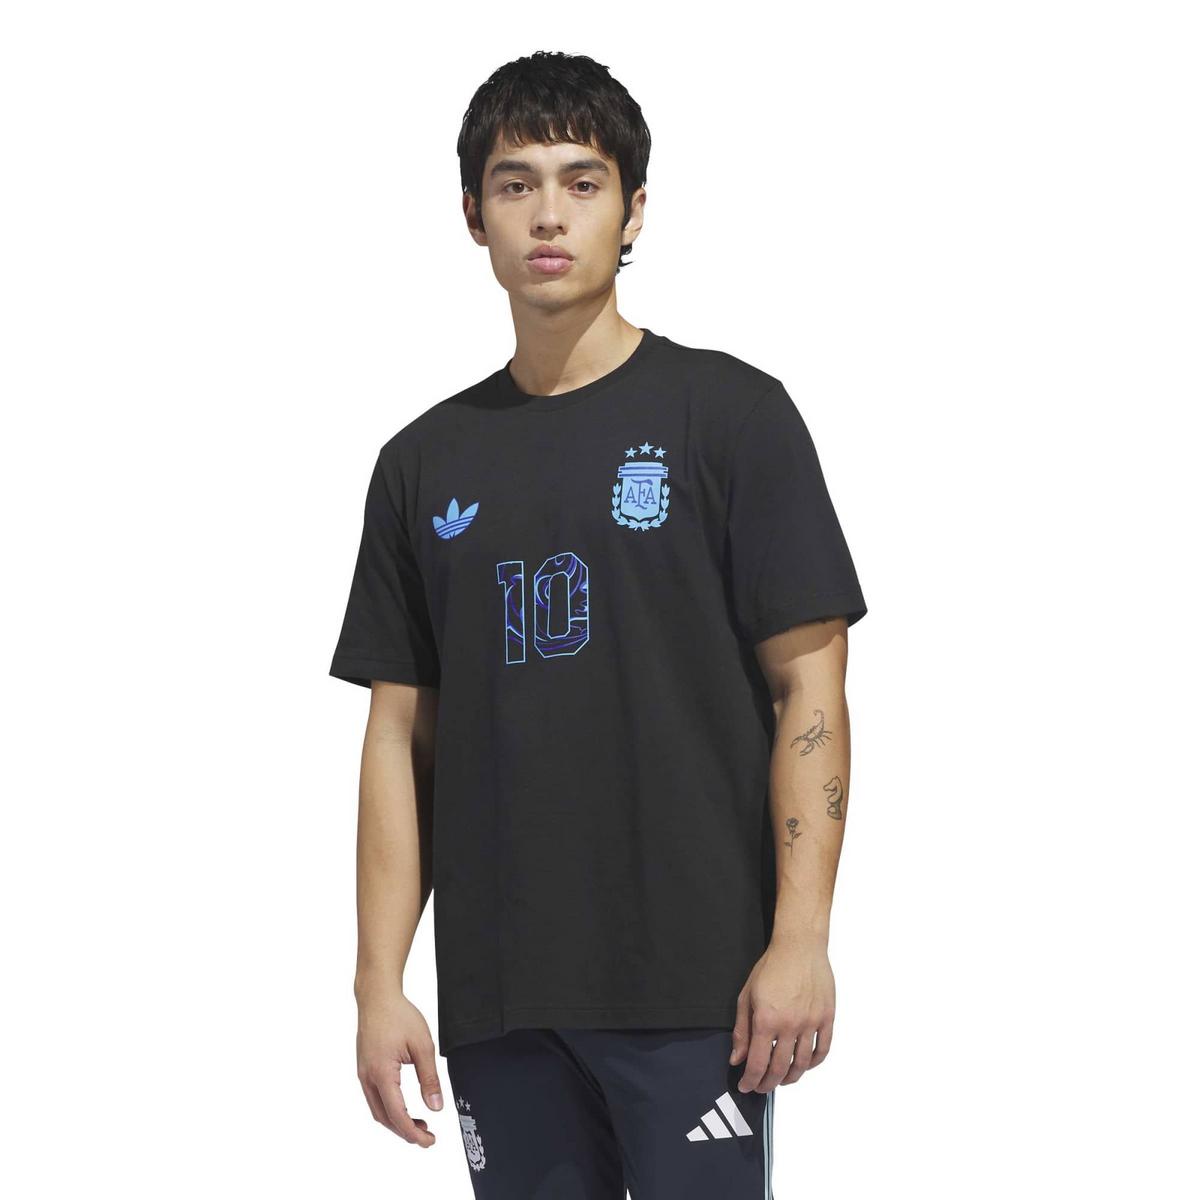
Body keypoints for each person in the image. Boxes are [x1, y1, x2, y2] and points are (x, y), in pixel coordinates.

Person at [329, 50, 867, 1199]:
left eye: (582, 181)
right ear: (472, 214)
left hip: (696, 986)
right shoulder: (421, 464)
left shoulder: (732, 417)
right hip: (501, 996)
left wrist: (801, 938)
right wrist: (379, 981)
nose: (548, 214)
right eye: (515, 184)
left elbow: (811, 688)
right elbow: (399, 740)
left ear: (634, 210)